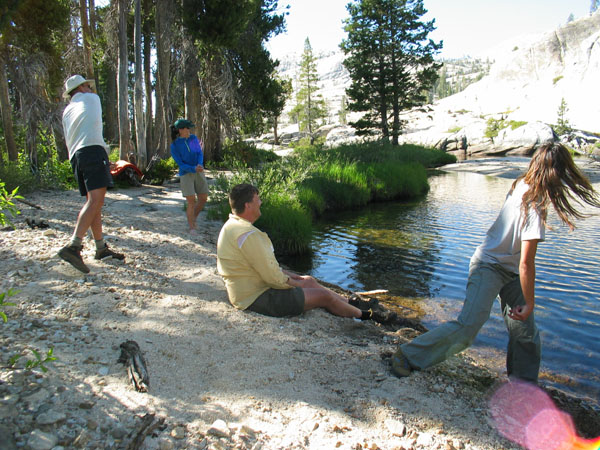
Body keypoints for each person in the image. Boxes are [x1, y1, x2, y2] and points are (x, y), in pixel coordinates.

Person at [391, 143, 600, 383]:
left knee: (526, 334)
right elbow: (526, 264)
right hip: (488, 266)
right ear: (556, 174)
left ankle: (523, 386)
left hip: (509, 272)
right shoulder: (534, 204)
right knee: (468, 327)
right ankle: (407, 356)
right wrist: (530, 303)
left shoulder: (522, 183)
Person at [217, 183, 389, 321]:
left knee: (309, 280)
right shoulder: (248, 235)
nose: (261, 202)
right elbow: (272, 278)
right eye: (258, 199)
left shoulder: (234, 226)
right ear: (248, 205)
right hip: (256, 298)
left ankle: (353, 304)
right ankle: (366, 316)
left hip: (250, 289)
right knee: (322, 296)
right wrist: (295, 284)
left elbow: (266, 267)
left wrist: (298, 279)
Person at [58, 74, 125, 274]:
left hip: (77, 156)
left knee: (93, 202)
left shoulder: (67, 111)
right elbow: (94, 125)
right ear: (81, 88)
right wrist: (101, 152)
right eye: (88, 86)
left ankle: (100, 248)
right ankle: (74, 246)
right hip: (92, 151)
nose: (91, 88)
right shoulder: (92, 99)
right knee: (96, 201)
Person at [170, 119, 209, 234]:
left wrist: (200, 164)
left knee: (203, 198)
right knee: (191, 201)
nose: (189, 130)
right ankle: (191, 227)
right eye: (187, 128)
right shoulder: (175, 145)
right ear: (180, 130)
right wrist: (192, 168)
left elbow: (199, 153)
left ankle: (193, 218)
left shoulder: (193, 139)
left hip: (199, 171)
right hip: (186, 174)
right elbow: (180, 164)